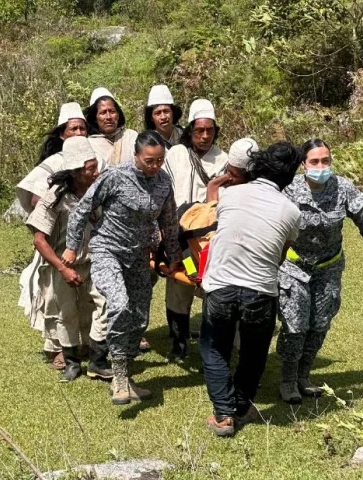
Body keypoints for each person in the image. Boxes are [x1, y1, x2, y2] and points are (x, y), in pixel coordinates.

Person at [65, 131, 182, 405]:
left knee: (139, 317)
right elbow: (82, 210)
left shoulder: (164, 183)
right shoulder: (115, 176)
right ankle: (117, 379)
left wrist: (174, 255)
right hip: (108, 251)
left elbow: (169, 221)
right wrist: (71, 246)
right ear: (136, 155)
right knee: (119, 305)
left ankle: (127, 376)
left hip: (139, 257)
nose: (155, 167)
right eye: (149, 161)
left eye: (160, 161)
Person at [276, 138, 363, 404]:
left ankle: (304, 377)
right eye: (314, 162)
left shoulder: (343, 188)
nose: (321, 166)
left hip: (328, 268)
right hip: (293, 267)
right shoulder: (288, 190)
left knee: (319, 325)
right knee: (295, 326)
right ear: (303, 165)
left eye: (326, 161)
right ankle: (287, 380)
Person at [199, 142, 302, 437]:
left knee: (214, 347)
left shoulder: (230, 195)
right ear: (289, 177)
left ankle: (223, 414)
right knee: (254, 354)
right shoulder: (292, 212)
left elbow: (218, 227)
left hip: (221, 287)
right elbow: (280, 255)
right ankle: (240, 407)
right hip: (261, 292)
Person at [26, 137, 111, 382]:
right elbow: (39, 239)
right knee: (67, 313)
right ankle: (72, 364)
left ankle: (97, 360)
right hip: (64, 263)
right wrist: (63, 269)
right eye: (89, 169)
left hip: (97, 260)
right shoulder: (55, 196)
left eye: (95, 166)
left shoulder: (99, 189)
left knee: (106, 304)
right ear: (75, 172)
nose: (95, 172)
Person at [16, 102, 89, 371]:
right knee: (56, 301)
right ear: (62, 133)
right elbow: (34, 198)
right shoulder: (54, 164)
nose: (79, 132)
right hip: (56, 243)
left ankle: (84, 345)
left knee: (87, 300)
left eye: (82, 128)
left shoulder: (91, 159)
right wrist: (58, 200)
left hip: (86, 246)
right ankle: (57, 348)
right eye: (73, 129)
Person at [162, 99, 229, 362]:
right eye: (199, 130)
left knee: (211, 291)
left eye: (209, 131)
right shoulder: (176, 155)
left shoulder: (223, 159)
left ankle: (211, 348)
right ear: (190, 131)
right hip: (178, 233)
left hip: (209, 237)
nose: (204, 136)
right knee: (178, 289)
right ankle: (178, 345)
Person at [85, 87, 139, 168]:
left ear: (118, 114)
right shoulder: (89, 144)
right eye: (103, 113)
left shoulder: (131, 136)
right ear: (95, 118)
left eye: (112, 112)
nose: (108, 117)